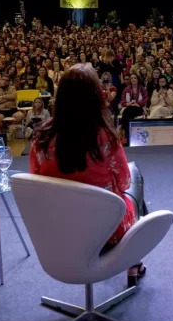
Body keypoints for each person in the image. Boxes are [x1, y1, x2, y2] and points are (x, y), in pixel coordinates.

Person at [29, 65, 148, 286]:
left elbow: (36, 186)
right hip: (105, 232)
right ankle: (134, 260)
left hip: (59, 232)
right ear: (95, 97)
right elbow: (124, 182)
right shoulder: (104, 137)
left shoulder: (41, 139)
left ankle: (134, 258)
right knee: (135, 175)